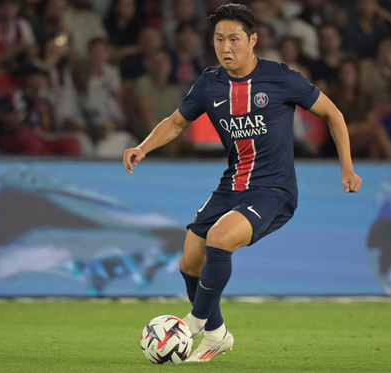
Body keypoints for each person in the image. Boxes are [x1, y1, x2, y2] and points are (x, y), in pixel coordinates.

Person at [123, 3, 361, 362]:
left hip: (274, 190)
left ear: (253, 40)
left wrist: (347, 167)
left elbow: (333, 114)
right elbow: (175, 123)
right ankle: (217, 334)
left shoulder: (280, 78)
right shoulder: (209, 83)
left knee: (219, 239)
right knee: (189, 262)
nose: (226, 47)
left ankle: (192, 323)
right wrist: (142, 147)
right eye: (219, 39)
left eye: (234, 39)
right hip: (232, 185)